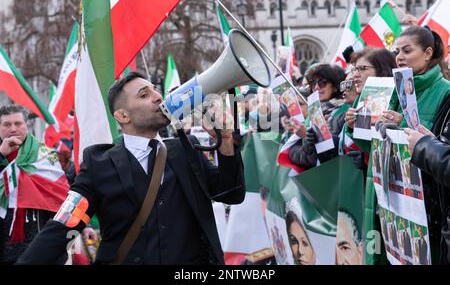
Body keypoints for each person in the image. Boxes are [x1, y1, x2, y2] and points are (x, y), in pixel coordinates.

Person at [17, 73, 245, 265]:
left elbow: (231, 193)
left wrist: (226, 142)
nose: (158, 97)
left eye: (155, 91)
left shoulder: (186, 150)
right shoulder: (98, 164)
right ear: (122, 116)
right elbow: (67, 222)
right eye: (144, 95)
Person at [387, 26, 450, 264]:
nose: (399, 57)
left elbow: (438, 142)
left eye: (406, 50)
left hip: (431, 204)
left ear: (427, 53)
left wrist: (404, 124)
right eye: (396, 51)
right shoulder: (397, 88)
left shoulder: (446, 92)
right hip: (399, 197)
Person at [0, 105, 69, 264]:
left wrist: (84, 227)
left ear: (27, 125)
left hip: (39, 238)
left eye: (18, 123)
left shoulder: (47, 155)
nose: (13, 129)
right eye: (6, 124)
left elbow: (60, 195)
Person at [288, 64, 347, 170]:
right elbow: (293, 154)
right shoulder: (312, 113)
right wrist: (307, 140)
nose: (316, 87)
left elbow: (334, 156)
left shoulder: (344, 113)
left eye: (322, 82)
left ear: (335, 86)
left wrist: (312, 137)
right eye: (313, 83)